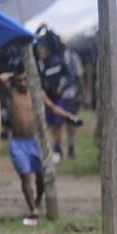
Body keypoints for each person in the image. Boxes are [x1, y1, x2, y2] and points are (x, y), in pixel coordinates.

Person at [0, 62, 81, 225]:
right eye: (20, 80)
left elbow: (53, 108)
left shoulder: (37, 94)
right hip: (17, 142)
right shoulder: (11, 93)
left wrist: (70, 117)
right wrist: (14, 76)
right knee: (25, 176)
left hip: (35, 141)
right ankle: (33, 210)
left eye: (25, 80)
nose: (23, 83)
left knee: (41, 177)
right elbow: (1, 79)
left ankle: (38, 201)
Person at [35, 28, 73, 164]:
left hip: (56, 98)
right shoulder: (39, 64)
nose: (40, 51)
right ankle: (47, 150)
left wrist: (62, 87)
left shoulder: (58, 62)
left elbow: (70, 76)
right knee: (45, 125)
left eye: (42, 49)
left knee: (57, 125)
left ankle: (57, 150)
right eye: (39, 49)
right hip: (44, 98)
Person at [61, 44, 86, 159]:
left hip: (70, 94)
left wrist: (82, 92)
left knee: (70, 121)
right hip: (58, 94)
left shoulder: (72, 56)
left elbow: (79, 75)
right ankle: (60, 147)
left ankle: (70, 144)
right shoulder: (56, 56)